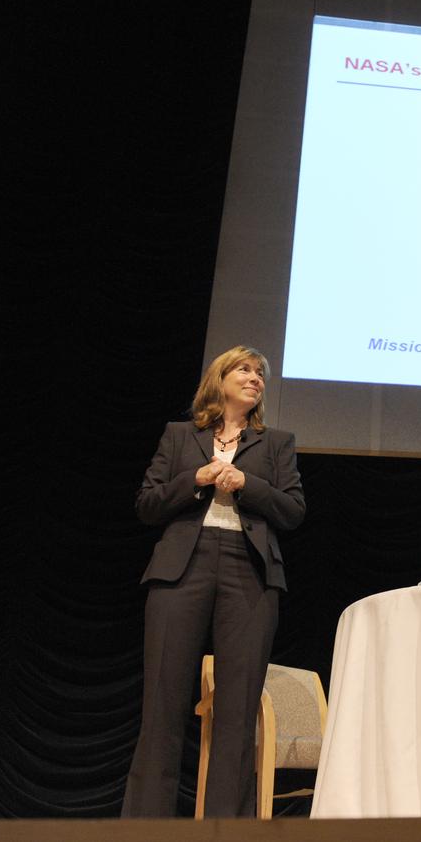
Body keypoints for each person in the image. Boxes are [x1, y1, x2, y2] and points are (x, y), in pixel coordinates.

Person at [122, 345, 306, 817]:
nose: (255, 378)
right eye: (244, 369)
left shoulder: (276, 442)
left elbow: (292, 511)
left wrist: (247, 484)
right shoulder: (180, 435)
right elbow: (148, 505)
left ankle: (227, 830)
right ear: (219, 378)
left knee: (238, 710)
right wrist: (197, 478)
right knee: (162, 704)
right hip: (183, 567)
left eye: (260, 373)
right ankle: (144, 829)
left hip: (249, 569)